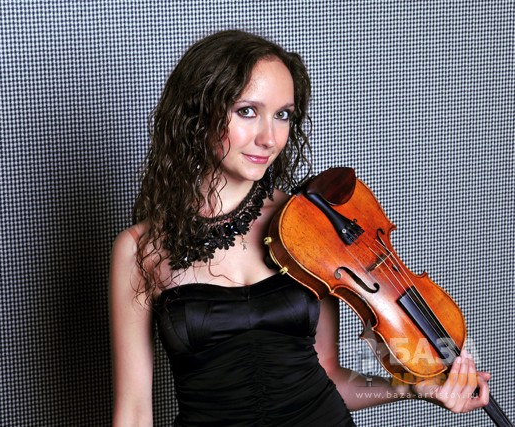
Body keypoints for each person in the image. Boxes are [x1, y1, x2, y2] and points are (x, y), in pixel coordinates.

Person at [109, 29, 490, 426]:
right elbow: (133, 412)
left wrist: (416, 387)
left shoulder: (307, 226)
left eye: (283, 115)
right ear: (197, 113)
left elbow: (330, 376)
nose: (269, 138)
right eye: (247, 111)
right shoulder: (140, 250)